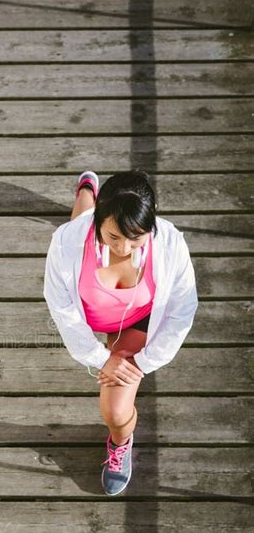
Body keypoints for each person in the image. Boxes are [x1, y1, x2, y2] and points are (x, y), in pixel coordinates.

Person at [43, 169, 198, 496]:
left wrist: (142, 362)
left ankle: (119, 442)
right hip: (89, 312)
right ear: (100, 223)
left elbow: (183, 309)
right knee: (78, 216)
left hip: (136, 323)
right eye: (113, 237)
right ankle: (87, 190)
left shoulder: (171, 245)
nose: (124, 248)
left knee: (114, 409)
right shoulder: (67, 241)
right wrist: (98, 357)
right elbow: (61, 307)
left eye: (136, 237)